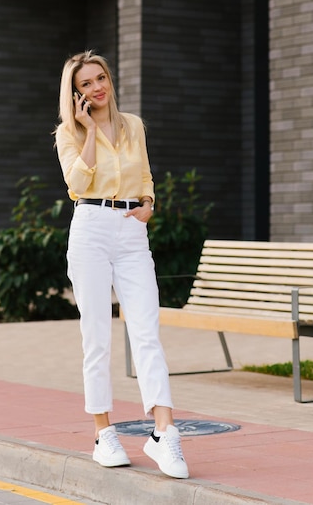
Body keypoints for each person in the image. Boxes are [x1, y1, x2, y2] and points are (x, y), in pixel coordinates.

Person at [55, 50, 189, 479]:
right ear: (75, 94)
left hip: (132, 230)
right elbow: (76, 184)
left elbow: (145, 174)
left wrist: (150, 202)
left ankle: (164, 433)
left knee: (146, 331)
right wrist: (90, 131)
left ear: (110, 80)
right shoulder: (67, 134)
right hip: (90, 228)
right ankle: (103, 433)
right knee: (96, 336)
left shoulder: (132, 125)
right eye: (86, 85)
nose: (96, 88)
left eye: (101, 79)